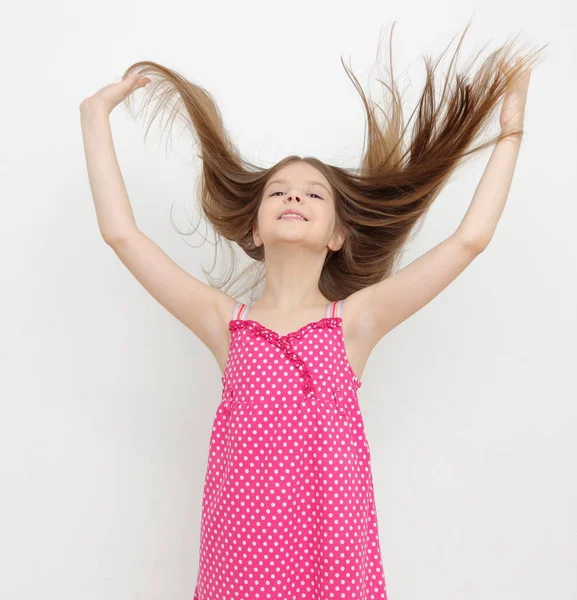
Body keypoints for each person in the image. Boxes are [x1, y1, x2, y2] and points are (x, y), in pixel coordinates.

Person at [80, 21, 545, 600]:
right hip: (239, 558)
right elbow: (122, 235)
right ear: (254, 227)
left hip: (332, 554)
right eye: (277, 191)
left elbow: (469, 240)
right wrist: (94, 117)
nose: (293, 196)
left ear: (337, 236)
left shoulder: (355, 324)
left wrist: (510, 127)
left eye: (313, 193)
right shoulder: (226, 325)